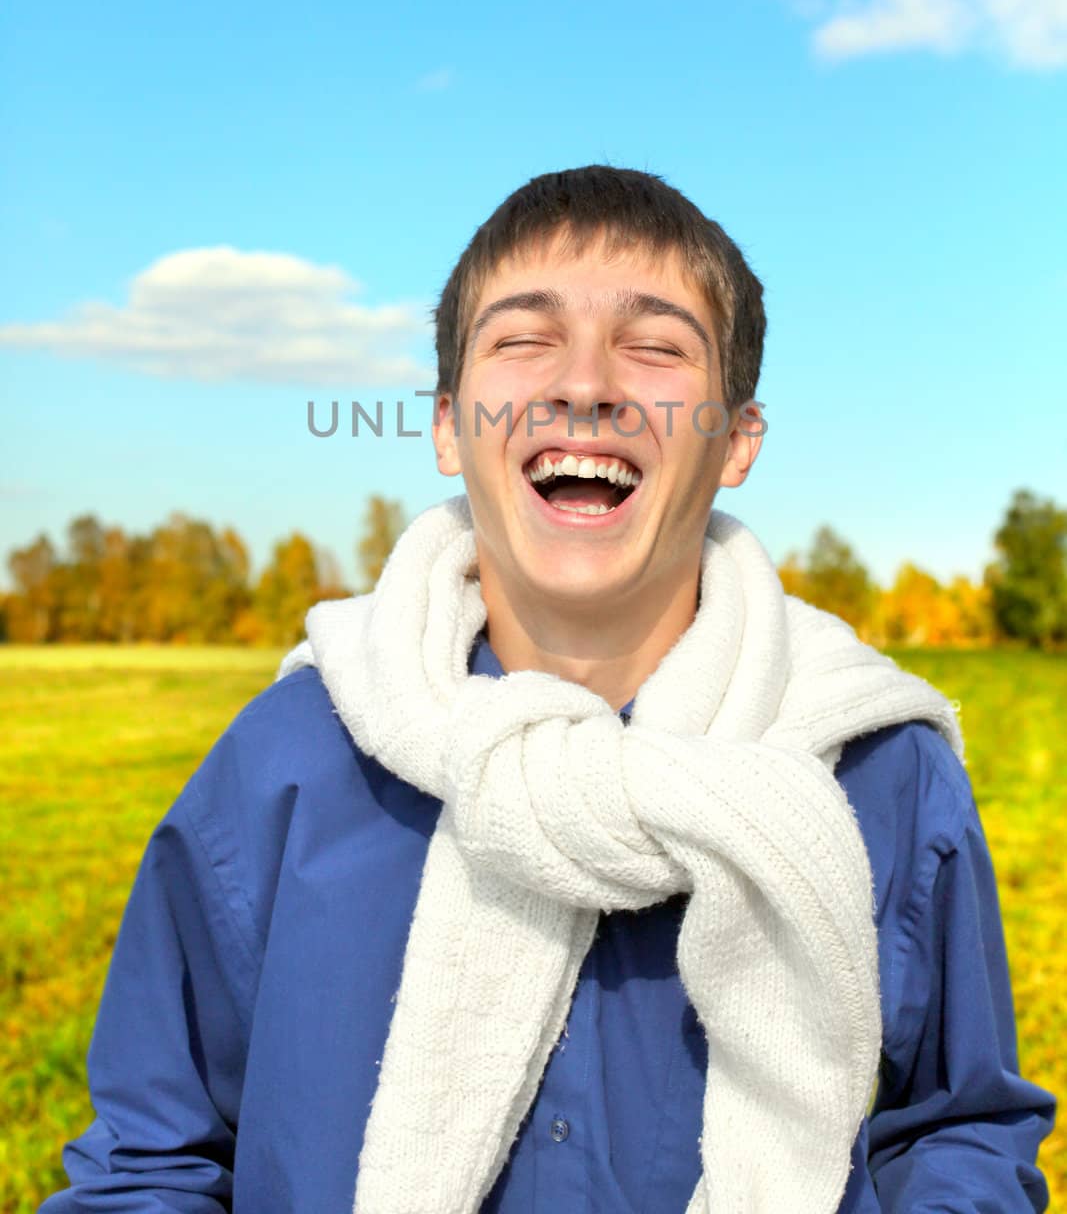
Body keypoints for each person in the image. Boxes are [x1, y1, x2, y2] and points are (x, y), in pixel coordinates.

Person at [41, 165, 1055, 1212]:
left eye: (655, 345)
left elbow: (953, 1132)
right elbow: (153, 1161)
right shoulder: (288, 763)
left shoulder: (879, 775)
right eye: (523, 338)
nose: (584, 383)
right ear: (446, 427)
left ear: (735, 441)